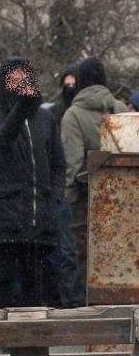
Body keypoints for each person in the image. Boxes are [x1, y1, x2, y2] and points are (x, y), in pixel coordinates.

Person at [0, 57, 65, 308]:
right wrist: (21, 107)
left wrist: (55, 198)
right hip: (7, 216)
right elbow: (1, 138)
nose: (20, 83)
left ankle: (33, 342)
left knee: (36, 285)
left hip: (39, 216)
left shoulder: (46, 119)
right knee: (4, 282)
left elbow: (58, 163)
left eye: (24, 78)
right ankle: (1, 341)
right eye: (13, 79)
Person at [62, 56, 128, 283]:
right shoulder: (120, 108)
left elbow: (73, 162)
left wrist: (69, 194)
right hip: (122, 195)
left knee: (87, 259)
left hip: (85, 199)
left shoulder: (73, 115)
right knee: (120, 256)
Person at [43, 64, 85, 308]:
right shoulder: (55, 115)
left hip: (72, 188)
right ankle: (65, 298)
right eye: (66, 85)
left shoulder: (71, 115)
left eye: (73, 85)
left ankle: (75, 298)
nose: (70, 89)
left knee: (72, 249)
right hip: (60, 190)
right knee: (64, 249)